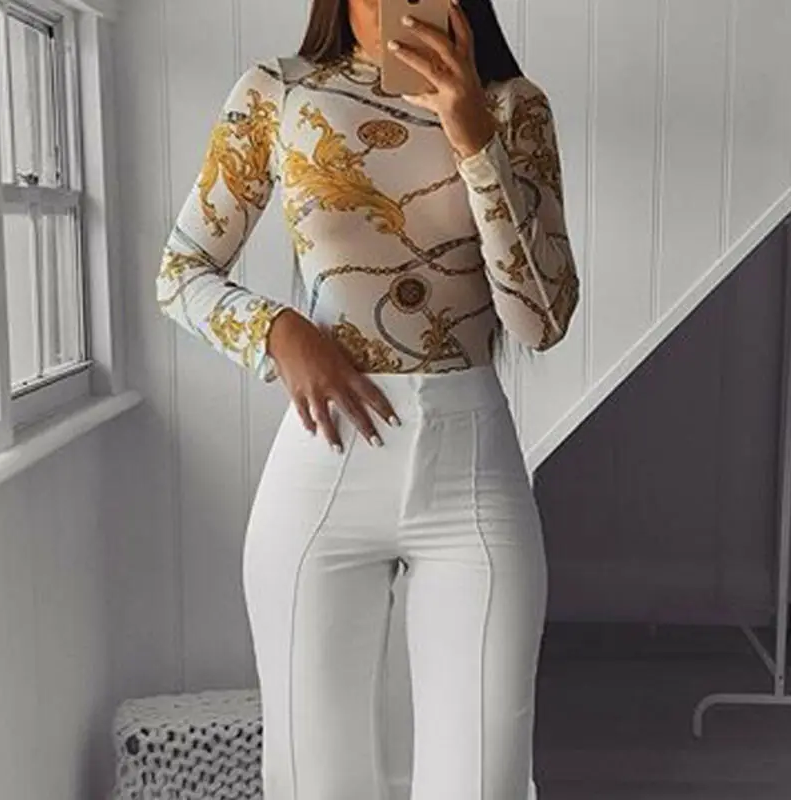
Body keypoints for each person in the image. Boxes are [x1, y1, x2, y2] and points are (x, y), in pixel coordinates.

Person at [155, 0, 579, 796]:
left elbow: (542, 319)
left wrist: (471, 135)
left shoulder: (513, 107)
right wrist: (278, 331)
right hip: (323, 466)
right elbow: (181, 273)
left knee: (483, 781)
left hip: (471, 472)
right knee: (312, 780)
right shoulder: (277, 93)